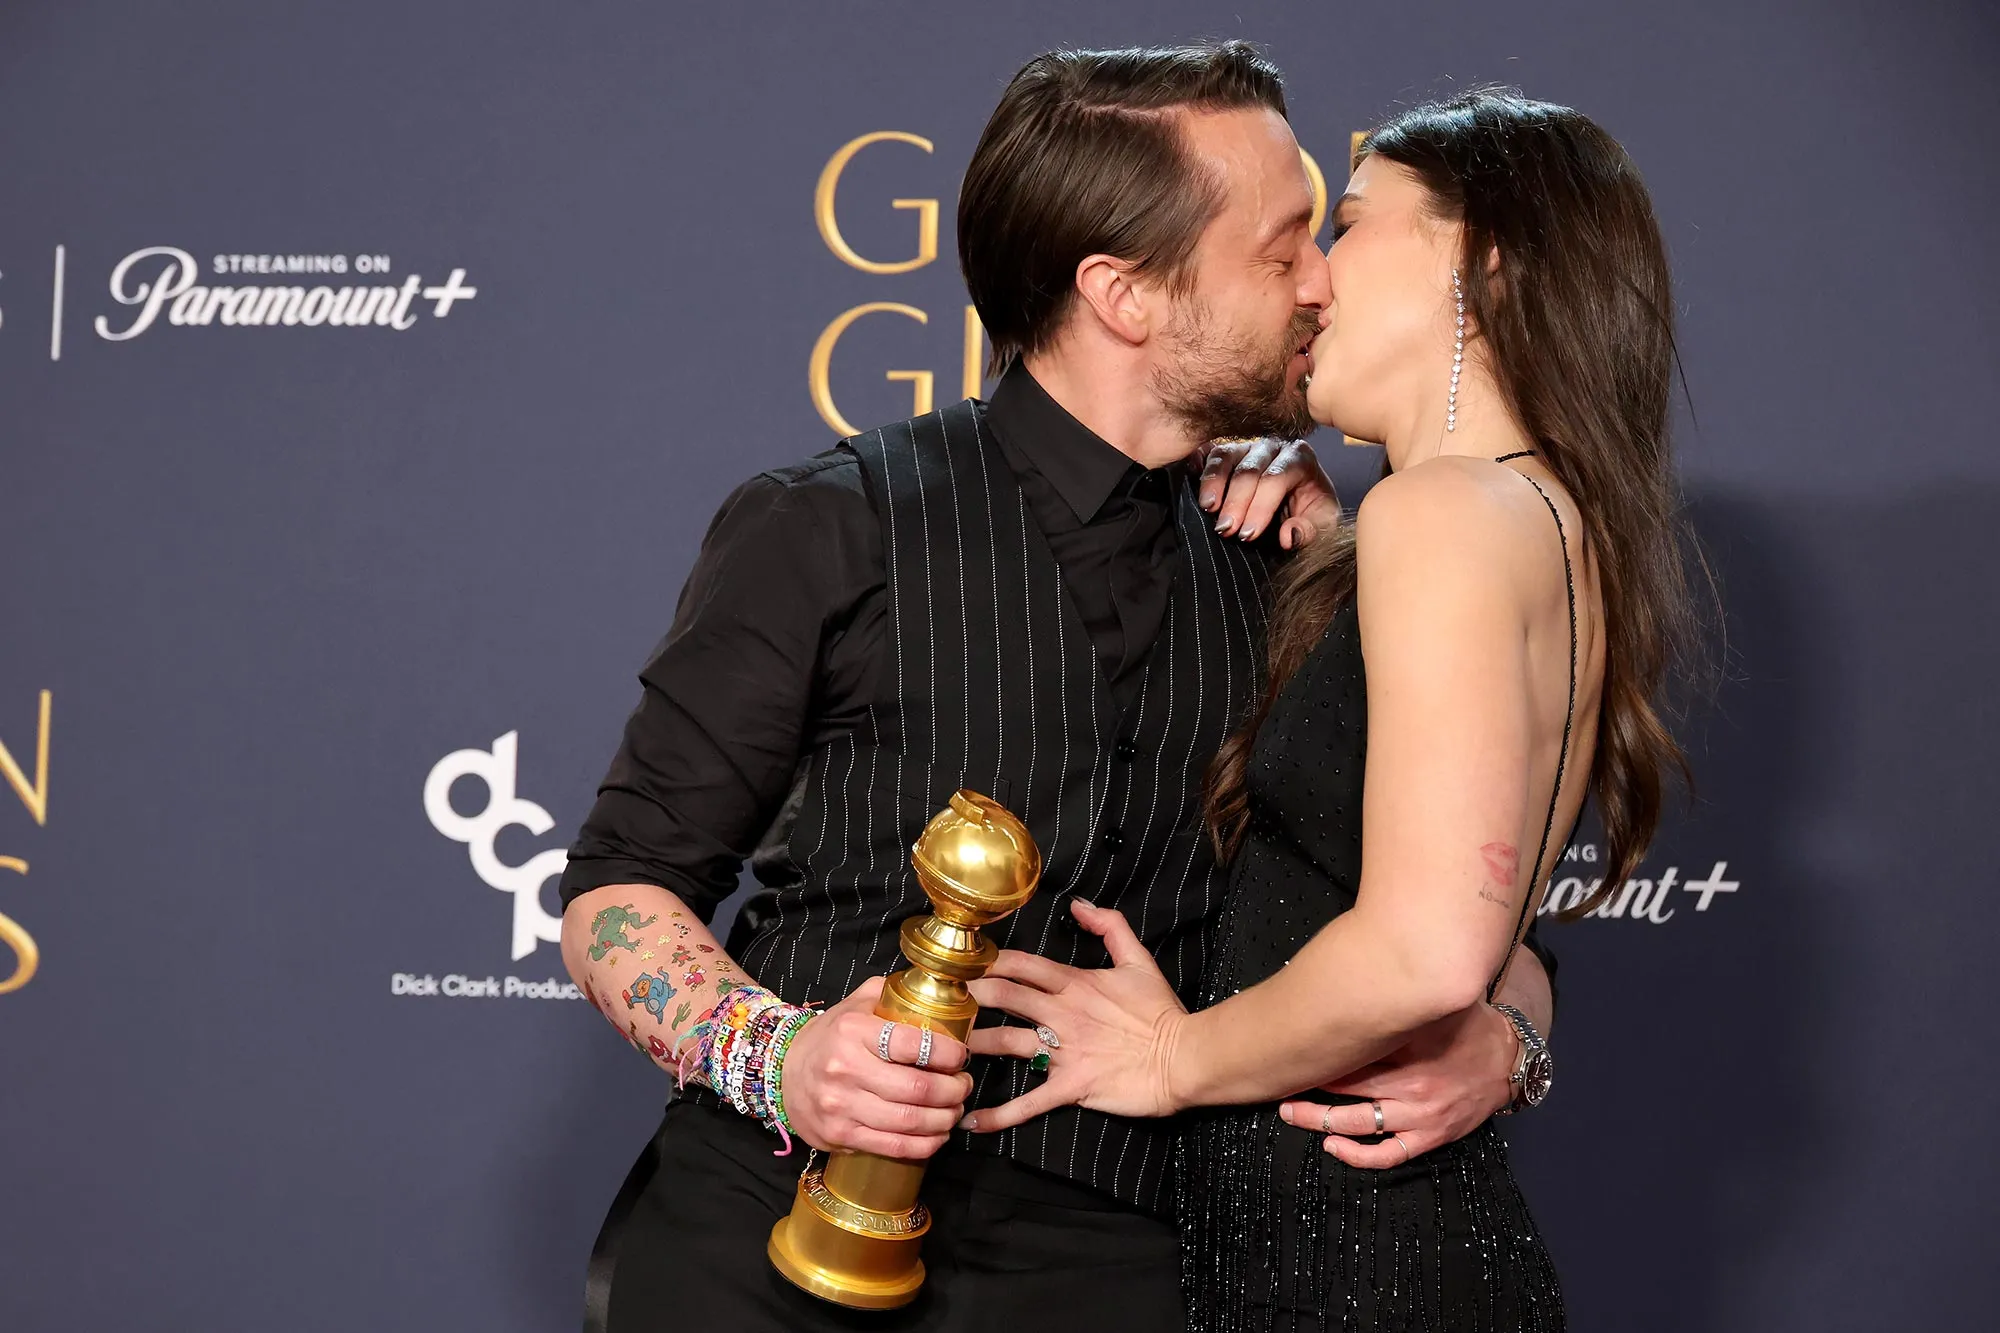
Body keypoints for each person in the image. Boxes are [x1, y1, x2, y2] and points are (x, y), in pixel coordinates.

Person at [557, 48, 1557, 1333]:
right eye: (1280, 247)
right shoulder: (831, 523)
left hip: (1129, 1261)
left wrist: (1506, 1043)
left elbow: (1479, 932)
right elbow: (618, 890)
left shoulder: (1299, 566)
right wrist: (783, 1056)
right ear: (1123, 294)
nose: (1320, 284)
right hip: (766, 1238)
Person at [962, 89, 1698, 1332]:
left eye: (1347, 224)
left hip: (1348, 1257)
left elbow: (1424, 949)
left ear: (1479, 259)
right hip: (1362, 1231)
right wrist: (1329, 549)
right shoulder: (1520, 515)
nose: (1309, 276)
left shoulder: (1445, 515)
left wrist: (1168, 1056)